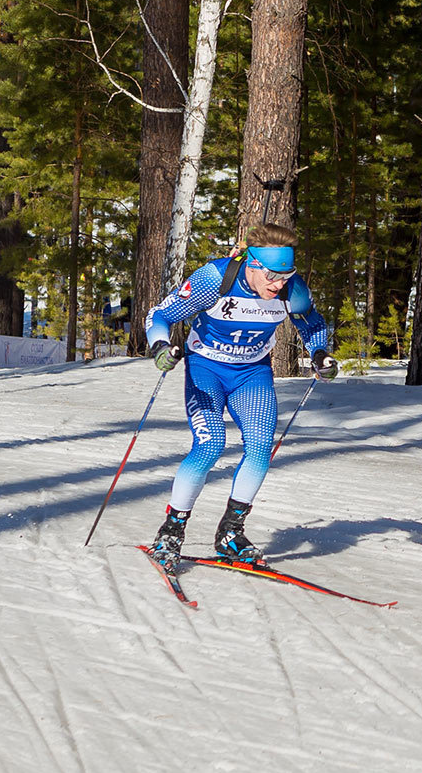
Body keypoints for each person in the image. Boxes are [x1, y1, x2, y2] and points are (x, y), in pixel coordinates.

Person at [142, 224, 338, 568]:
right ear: (253, 264)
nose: (279, 284)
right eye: (273, 276)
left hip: (252, 373)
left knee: (262, 447)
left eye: (286, 275)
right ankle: (171, 531)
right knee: (210, 445)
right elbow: (159, 314)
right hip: (207, 369)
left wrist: (320, 353)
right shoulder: (214, 278)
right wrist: (160, 346)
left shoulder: (292, 289)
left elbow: (313, 325)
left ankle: (231, 533)